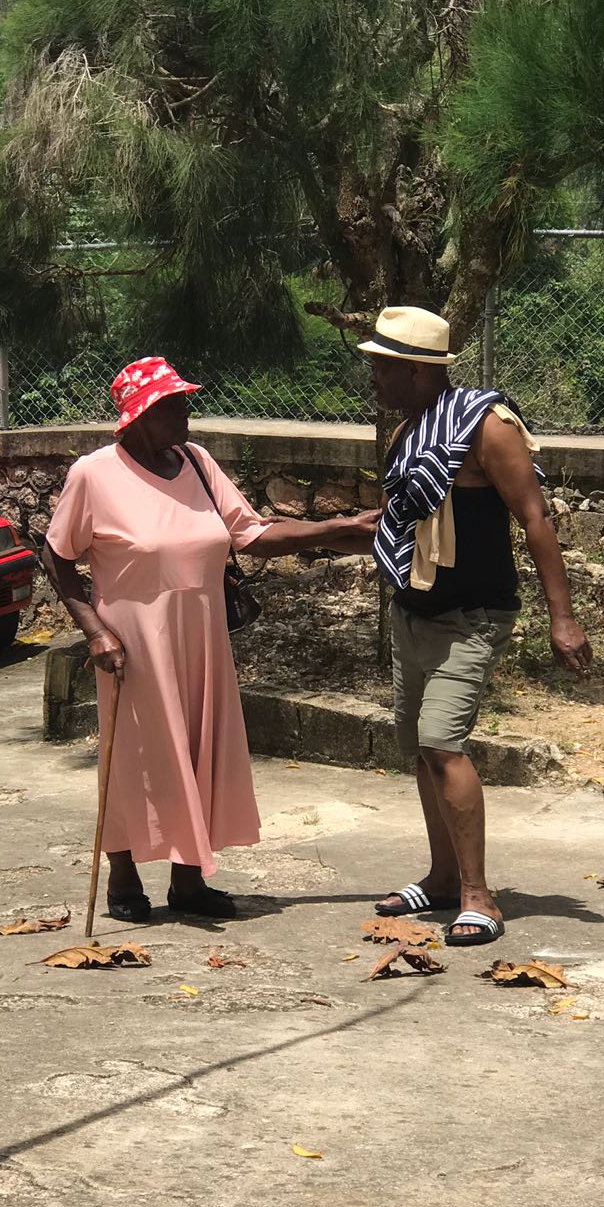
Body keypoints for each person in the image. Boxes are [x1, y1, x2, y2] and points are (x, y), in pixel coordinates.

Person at [42, 356, 378, 921]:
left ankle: (189, 880)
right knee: (134, 756)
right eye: (174, 405)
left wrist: (339, 529)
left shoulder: (197, 463)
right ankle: (123, 878)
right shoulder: (94, 474)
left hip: (202, 639)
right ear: (141, 415)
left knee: (200, 749)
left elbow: (250, 534)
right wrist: (94, 631)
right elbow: (58, 556)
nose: (187, 414)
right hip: (133, 645)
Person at [360, 306, 592, 945]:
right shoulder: (415, 426)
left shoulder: (487, 427)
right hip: (416, 611)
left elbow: (535, 518)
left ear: (415, 370)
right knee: (418, 746)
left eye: (382, 367)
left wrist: (562, 619)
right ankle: (439, 878)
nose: (372, 378)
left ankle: (478, 896)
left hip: (474, 617)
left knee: (442, 742)